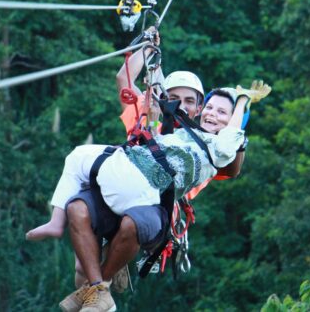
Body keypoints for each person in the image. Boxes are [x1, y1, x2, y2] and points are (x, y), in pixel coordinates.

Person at [26, 81, 270, 312]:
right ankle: (95, 283)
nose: (212, 114)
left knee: (93, 176)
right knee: (78, 172)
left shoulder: (219, 151)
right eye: (210, 108)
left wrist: (241, 101)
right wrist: (152, 87)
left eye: (222, 113)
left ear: (232, 123)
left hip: (149, 199)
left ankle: (98, 283)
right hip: (129, 174)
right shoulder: (181, 132)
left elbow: (233, 141)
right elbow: (146, 109)